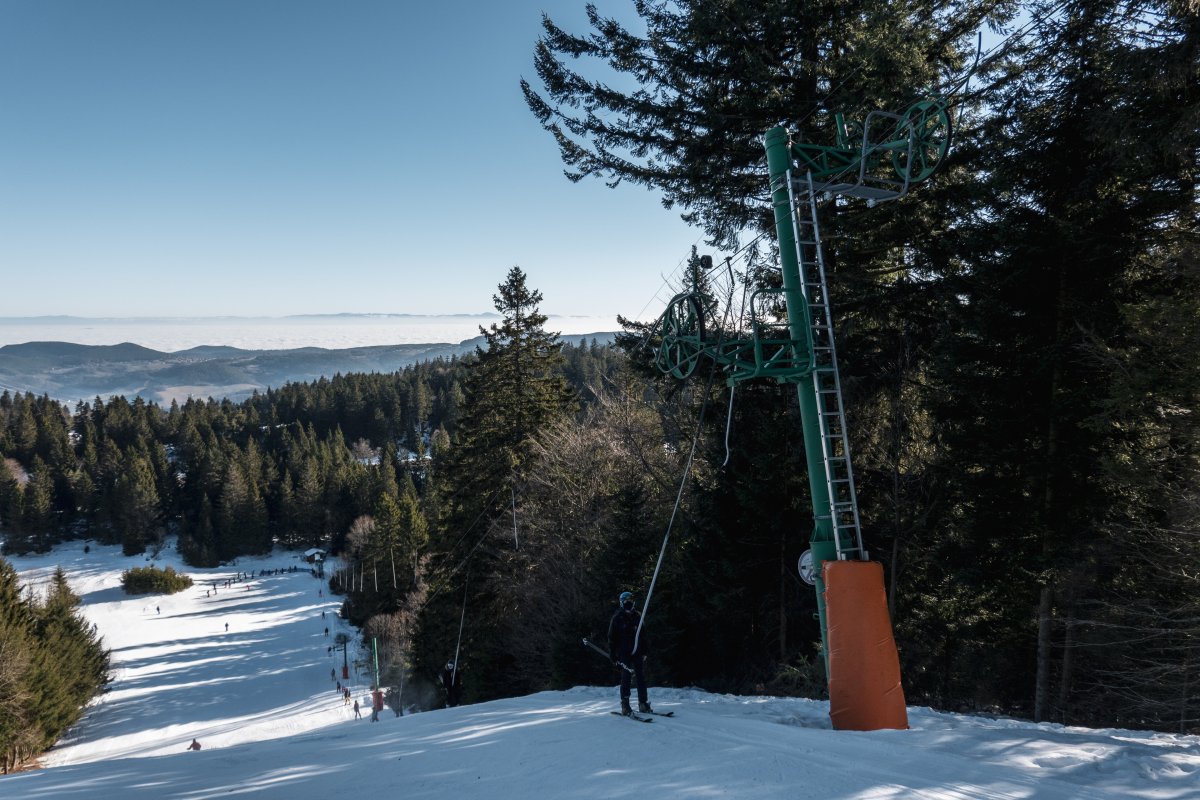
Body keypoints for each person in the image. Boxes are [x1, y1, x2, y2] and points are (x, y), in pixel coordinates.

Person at [608, 590, 652, 715]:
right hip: (624, 651)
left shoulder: (638, 616)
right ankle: (625, 705)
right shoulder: (617, 618)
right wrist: (613, 654)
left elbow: (643, 635)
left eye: (630, 600)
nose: (629, 603)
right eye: (626, 601)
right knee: (626, 677)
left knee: (641, 677)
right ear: (622, 602)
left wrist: (645, 651)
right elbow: (611, 637)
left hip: (637, 650)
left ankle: (643, 703)